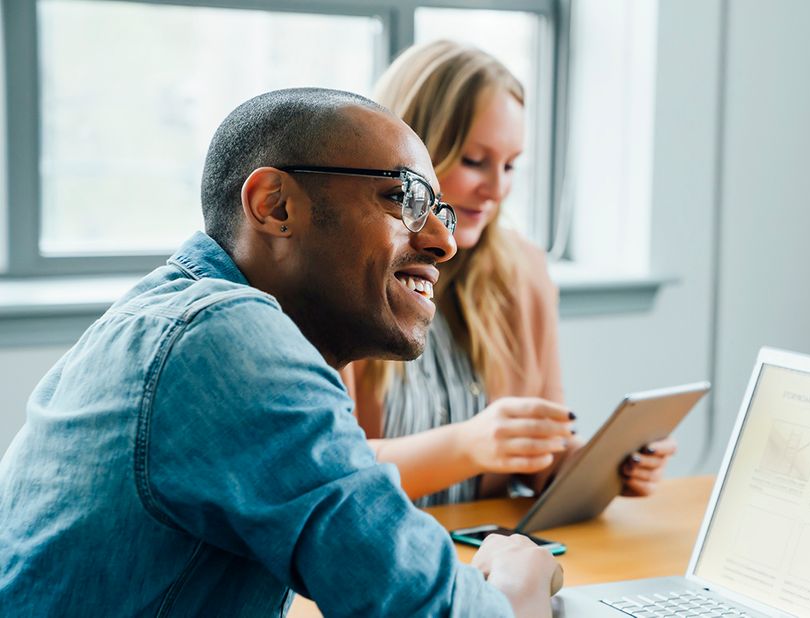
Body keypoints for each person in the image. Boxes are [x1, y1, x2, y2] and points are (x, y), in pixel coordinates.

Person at [0, 88, 560, 616]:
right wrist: (516, 582)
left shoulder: (177, 315)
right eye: (401, 198)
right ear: (275, 205)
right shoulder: (222, 338)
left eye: (441, 210)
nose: (444, 241)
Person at [342, 40, 676, 506]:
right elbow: (326, 476)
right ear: (412, 153)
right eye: (475, 161)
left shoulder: (523, 273)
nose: (497, 188)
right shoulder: (339, 273)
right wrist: (468, 446)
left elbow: (539, 460)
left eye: (511, 165)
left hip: (478, 550)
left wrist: (606, 465)